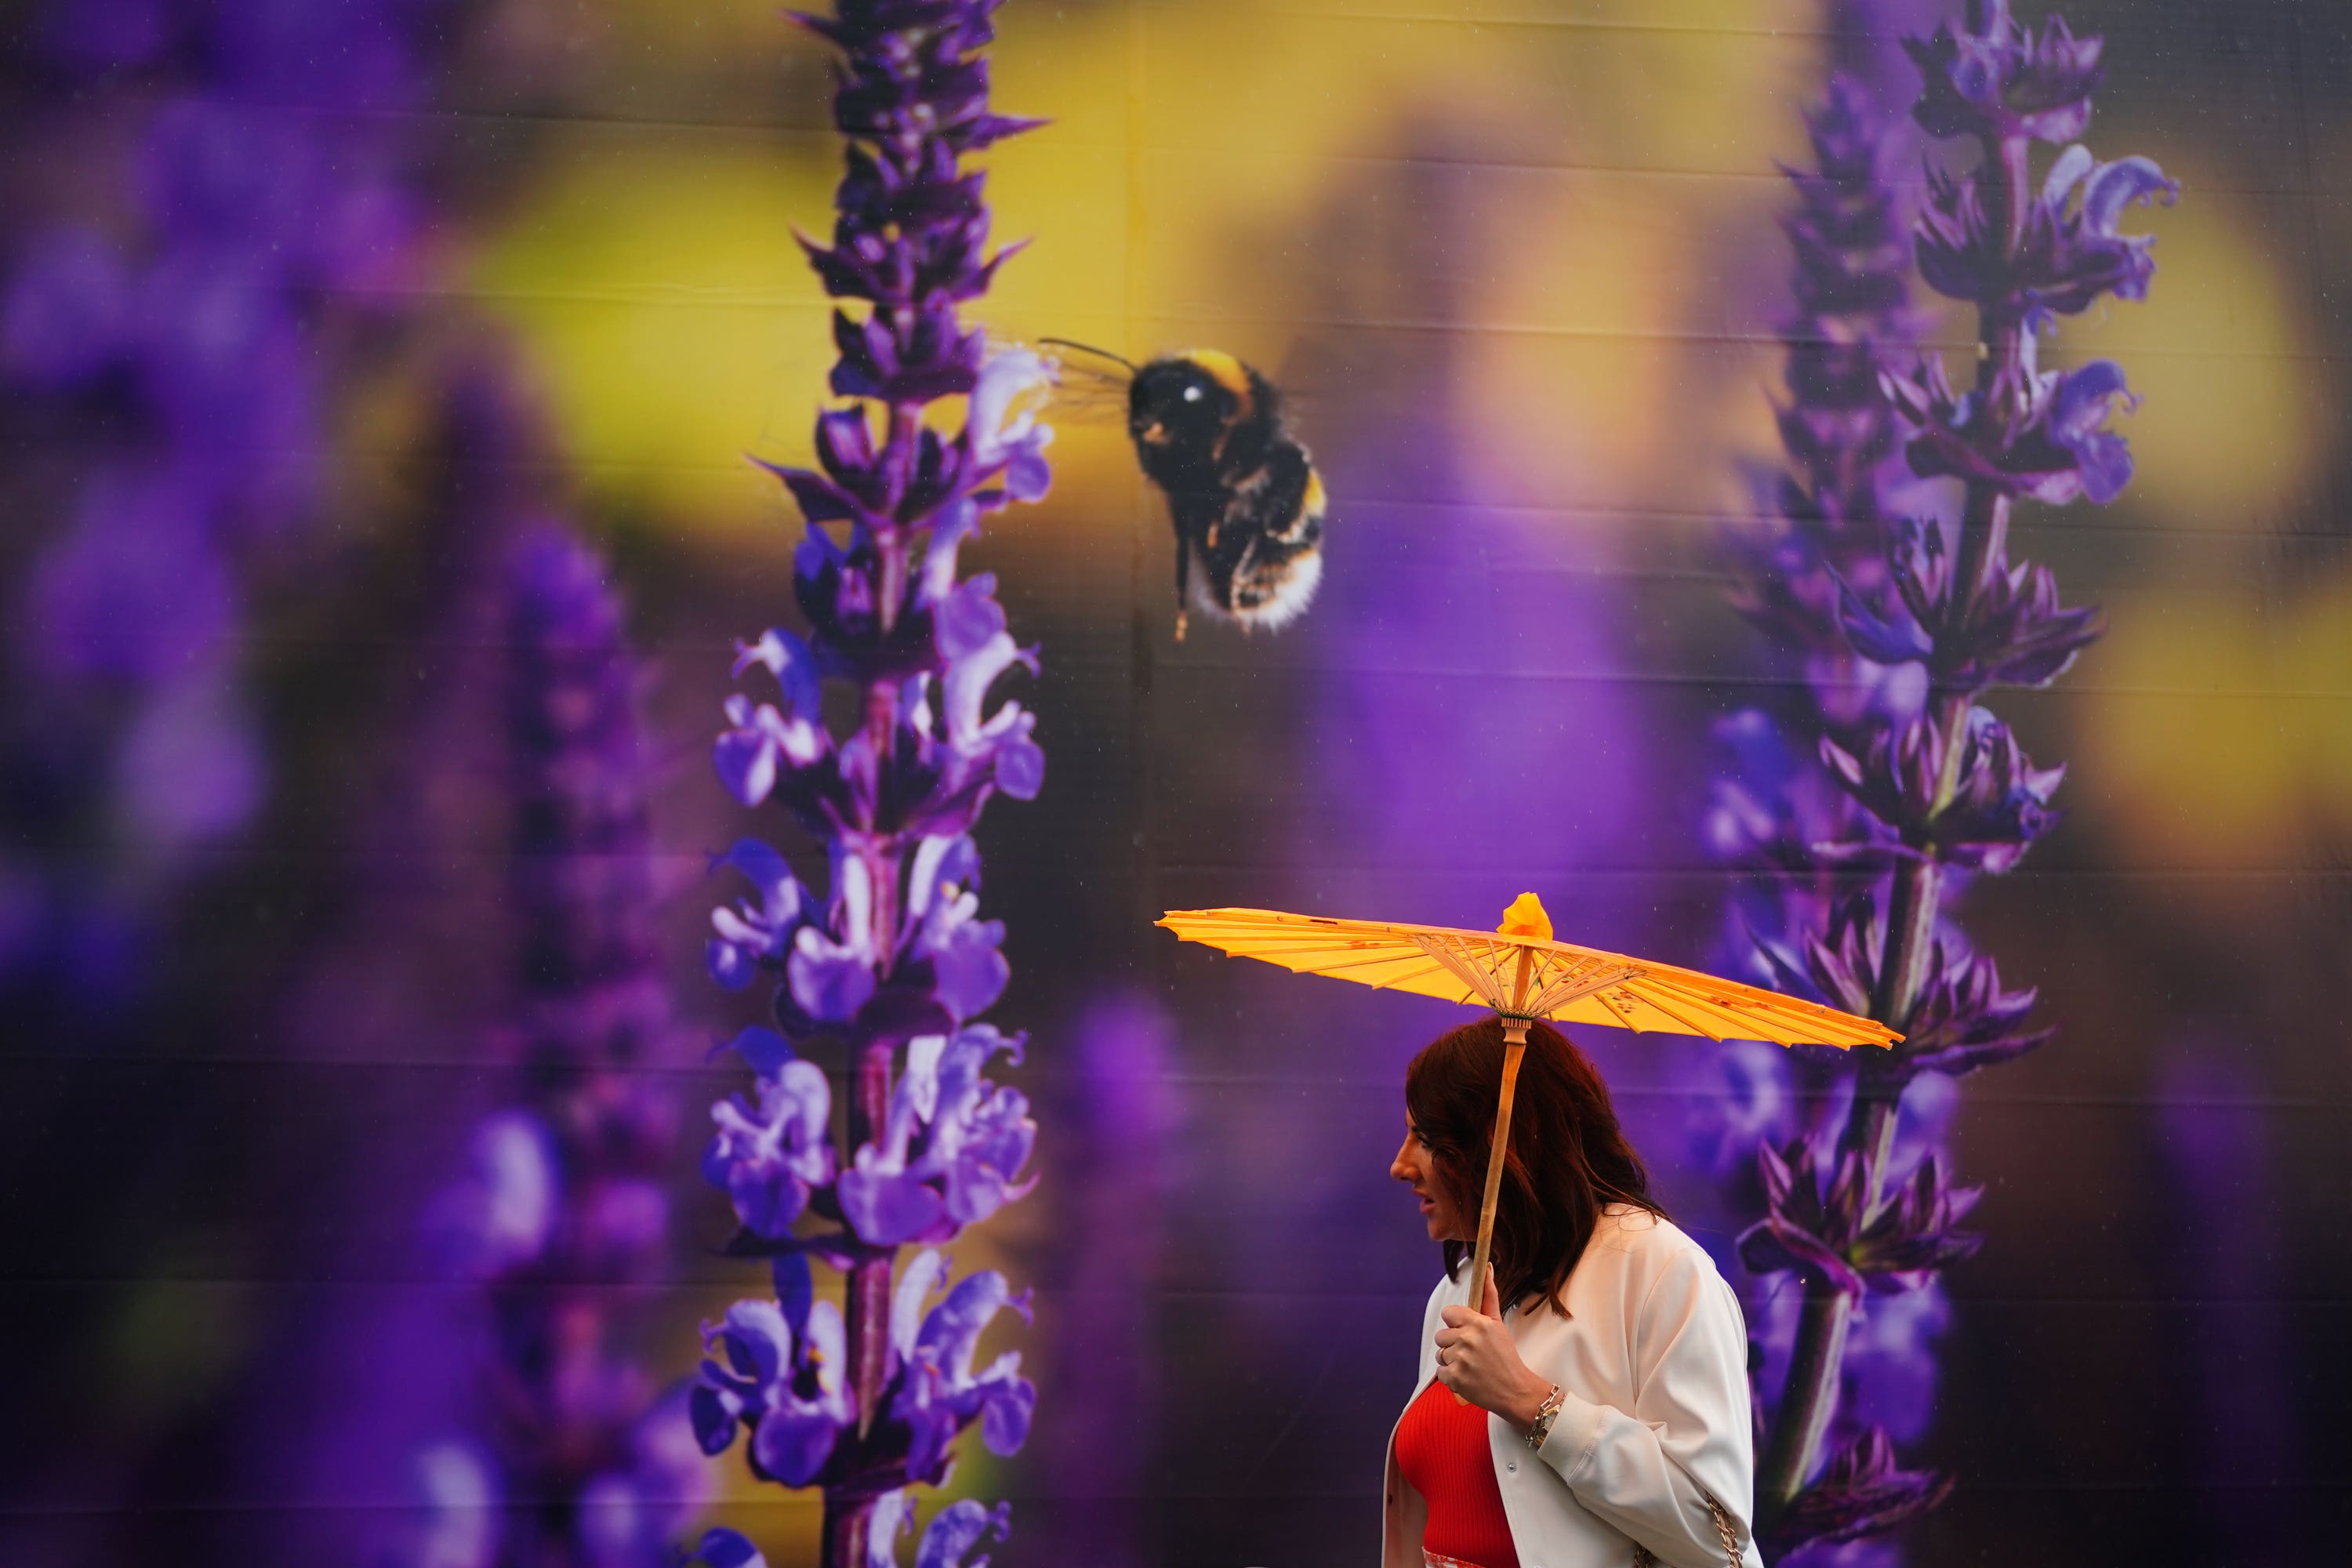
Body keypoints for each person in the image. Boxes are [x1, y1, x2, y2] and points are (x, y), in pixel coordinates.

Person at [1382, 1018, 1762, 1568]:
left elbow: (1716, 1534)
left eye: (1428, 1139)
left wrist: (1532, 1403)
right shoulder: (1459, 1287)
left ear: (1500, 1143)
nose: (1400, 1166)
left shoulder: (1663, 1269)